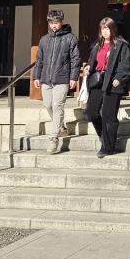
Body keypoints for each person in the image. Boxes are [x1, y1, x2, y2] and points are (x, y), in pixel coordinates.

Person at [32, 10, 81, 155]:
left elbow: (75, 59)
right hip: (46, 78)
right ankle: (61, 127)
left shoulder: (70, 38)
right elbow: (39, 59)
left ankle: (53, 139)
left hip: (62, 77)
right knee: (48, 104)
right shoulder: (44, 40)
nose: (54, 25)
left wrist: (74, 77)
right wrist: (36, 76)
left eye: (56, 22)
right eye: (51, 23)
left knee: (57, 106)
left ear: (61, 22)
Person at [82, 18, 130, 157]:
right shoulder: (97, 45)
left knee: (109, 115)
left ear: (113, 29)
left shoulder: (121, 45)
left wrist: (119, 77)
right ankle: (104, 136)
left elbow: (125, 64)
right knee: (91, 112)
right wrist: (88, 67)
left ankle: (107, 147)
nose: (105, 31)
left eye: (107, 28)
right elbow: (93, 61)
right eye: (103, 28)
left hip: (112, 81)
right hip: (98, 81)